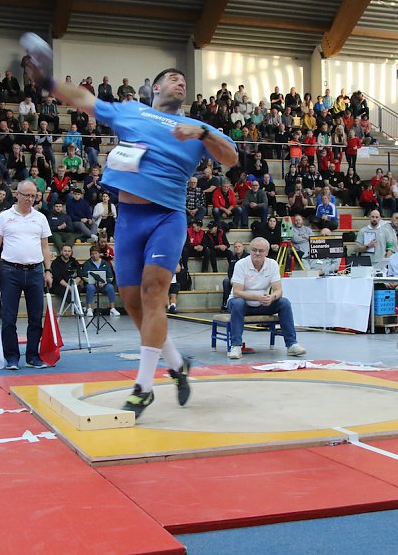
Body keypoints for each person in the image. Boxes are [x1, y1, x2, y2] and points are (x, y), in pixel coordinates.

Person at [24, 33, 238, 417]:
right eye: (173, 78)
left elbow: (232, 157)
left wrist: (203, 132)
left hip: (166, 218)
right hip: (129, 220)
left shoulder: (194, 125)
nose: (180, 83)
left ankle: (143, 388)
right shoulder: (130, 111)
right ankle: (176, 364)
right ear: (155, 87)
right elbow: (84, 100)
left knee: (155, 294)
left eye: (184, 82)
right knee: (134, 304)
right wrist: (48, 82)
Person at [0, 179, 53, 370]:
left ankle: (33, 356)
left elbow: (45, 246)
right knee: (9, 317)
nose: (30, 199)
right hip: (10, 271)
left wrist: (48, 270)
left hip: (35, 270)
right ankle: (11, 357)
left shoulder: (40, 218)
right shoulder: (4, 217)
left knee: (35, 316)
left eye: (34, 196)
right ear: (17, 195)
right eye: (27, 195)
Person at [226, 237, 306, 359]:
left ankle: (292, 344)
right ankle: (236, 346)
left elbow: (279, 290)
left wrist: (272, 297)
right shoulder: (241, 264)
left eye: (261, 251)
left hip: (262, 303)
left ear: (267, 252)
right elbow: (237, 292)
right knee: (238, 303)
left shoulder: (272, 264)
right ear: (250, 250)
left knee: (284, 303)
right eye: (254, 250)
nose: (257, 253)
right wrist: (258, 297)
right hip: (241, 303)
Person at [80, 246, 119, 317]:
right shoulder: (87, 263)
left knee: (110, 287)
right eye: (92, 254)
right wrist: (95, 282)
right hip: (92, 284)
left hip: (104, 285)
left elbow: (110, 277)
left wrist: (104, 282)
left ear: (99, 254)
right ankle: (89, 308)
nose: (94, 255)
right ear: (90, 255)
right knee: (90, 287)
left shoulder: (105, 263)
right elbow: (84, 276)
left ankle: (112, 308)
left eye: (96, 253)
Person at [220, 241, 249, 311]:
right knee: (226, 282)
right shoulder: (232, 258)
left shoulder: (248, 257)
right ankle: (225, 303)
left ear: (243, 247)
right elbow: (230, 271)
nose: (237, 248)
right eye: (235, 247)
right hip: (235, 279)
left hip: (246, 279)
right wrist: (232, 280)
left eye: (239, 246)